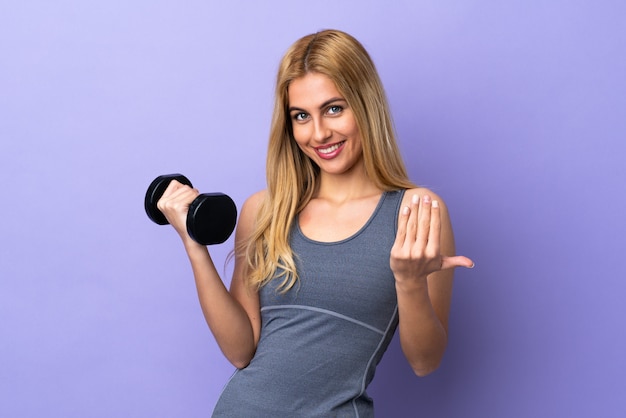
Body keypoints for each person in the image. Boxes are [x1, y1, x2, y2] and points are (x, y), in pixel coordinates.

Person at [157, 29, 474, 417]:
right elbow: (241, 352)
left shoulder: (417, 211)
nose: (319, 133)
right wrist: (195, 247)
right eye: (301, 116)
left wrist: (409, 283)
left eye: (334, 109)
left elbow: (426, 361)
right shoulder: (265, 209)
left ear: (365, 105)